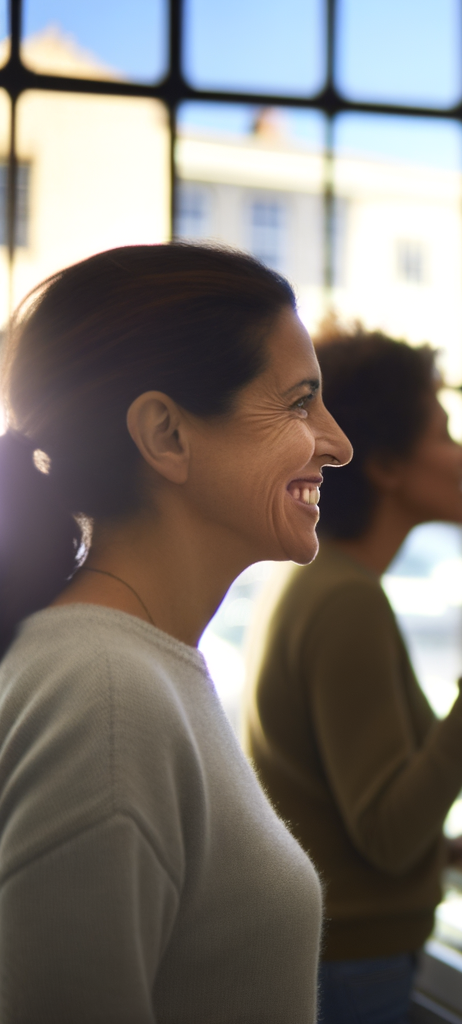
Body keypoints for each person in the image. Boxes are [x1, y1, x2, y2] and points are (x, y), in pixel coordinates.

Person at [0, 244, 344, 1020]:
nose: (337, 443)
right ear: (166, 434)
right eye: (299, 402)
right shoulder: (105, 694)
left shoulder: (135, 665)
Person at [243, 325, 462, 1024]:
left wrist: (444, 846)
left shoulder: (315, 579)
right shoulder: (345, 597)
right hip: (352, 964)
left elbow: (345, 809)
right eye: (444, 433)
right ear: (388, 465)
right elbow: (389, 836)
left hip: (337, 951)